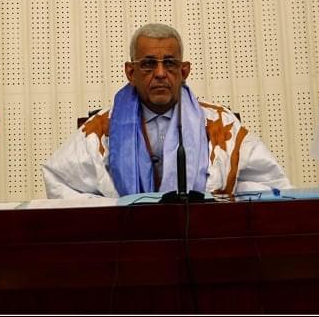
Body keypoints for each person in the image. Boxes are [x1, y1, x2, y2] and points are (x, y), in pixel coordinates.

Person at [43, 23, 290, 198]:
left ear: (184, 71)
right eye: (148, 64)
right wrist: (112, 212)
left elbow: (270, 186)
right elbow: (61, 182)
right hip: (125, 243)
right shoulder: (100, 129)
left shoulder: (220, 125)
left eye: (170, 64)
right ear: (131, 72)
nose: (160, 73)